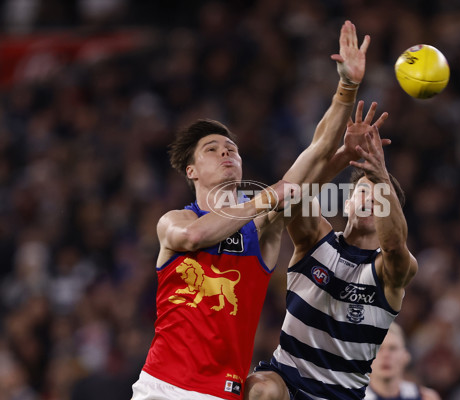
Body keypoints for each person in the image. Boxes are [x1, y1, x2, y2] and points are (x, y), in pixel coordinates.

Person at [130, 20, 371, 400]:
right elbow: (196, 237)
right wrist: (271, 193)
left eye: (232, 148)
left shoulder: (262, 224)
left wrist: (347, 86)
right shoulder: (176, 220)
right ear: (191, 171)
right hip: (162, 387)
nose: (226, 151)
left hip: (224, 392)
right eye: (212, 148)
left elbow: (317, 150)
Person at [244, 107, 419, 399]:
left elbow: (394, 246)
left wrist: (380, 175)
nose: (370, 199)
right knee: (259, 389)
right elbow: (294, 191)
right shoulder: (315, 239)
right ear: (347, 202)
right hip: (286, 381)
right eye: (363, 192)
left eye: (379, 196)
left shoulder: (391, 272)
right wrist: (341, 156)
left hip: (341, 395)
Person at [364, 322, 441, 400]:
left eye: (392, 348)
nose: (386, 355)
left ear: (405, 356)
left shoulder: (424, 397)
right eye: (378, 349)